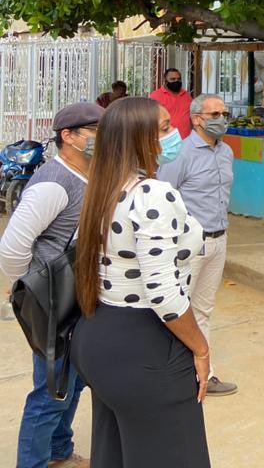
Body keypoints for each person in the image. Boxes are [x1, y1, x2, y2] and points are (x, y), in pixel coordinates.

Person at [70, 97, 210, 468]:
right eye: (164, 129)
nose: (174, 135)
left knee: (116, 452)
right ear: (139, 140)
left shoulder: (104, 187)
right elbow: (163, 293)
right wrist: (200, 348)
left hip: (100, 336)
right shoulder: (152, 194)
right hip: (145, 344)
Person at [0, 102, 103, 468]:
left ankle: (60, 451)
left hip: (78, 298)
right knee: (50, 391)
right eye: (95, 131)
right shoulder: (53, 184)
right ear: (68, 137)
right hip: (53, 300)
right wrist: (28, 288)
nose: (102, 138)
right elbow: (12, 247)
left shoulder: (89, 175)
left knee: (73, 382)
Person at [156, 94, 238, 396]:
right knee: (177, 310)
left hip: (219, 240)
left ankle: (204, 376)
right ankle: (168, 377)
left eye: (224, 113)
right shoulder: (180, 154)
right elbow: (164, 198)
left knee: (203, 309)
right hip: (188, 245)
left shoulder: (226, 152)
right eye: (214, 113)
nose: (221, 119)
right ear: (196, 119)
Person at [149, 67, 192, 139]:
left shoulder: (187, 96)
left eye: (179, 79)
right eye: (172, 79)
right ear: (165, 81)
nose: (176, 81)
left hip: (185, 139)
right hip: (165, 140)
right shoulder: (155, 96)